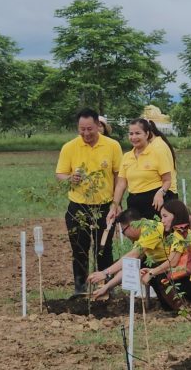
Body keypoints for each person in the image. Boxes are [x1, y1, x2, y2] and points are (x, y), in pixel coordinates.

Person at [56, 108, 123, 296]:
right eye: (82, 129)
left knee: (103, 249)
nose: (86, 133)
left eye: (90, 129)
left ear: (98, 126)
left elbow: (119, 176)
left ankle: (106, 288)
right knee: (79, 249)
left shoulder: (112, 146)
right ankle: (80, 289)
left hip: (105, 206)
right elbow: (60, 174)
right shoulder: (69, 147)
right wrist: (69, 179)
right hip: (78, 207)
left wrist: (116, 203)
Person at [87, 208, 168, 300]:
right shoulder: (143, 232)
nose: (125, 236)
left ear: (132, 225)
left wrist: (105, 273)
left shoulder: (151, 229)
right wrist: (107, 287)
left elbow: (132, 256)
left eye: (123, 231)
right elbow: (130, 265)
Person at [108, 118, 176, 222]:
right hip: (134, 202)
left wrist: (160, 193)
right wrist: (115, 206)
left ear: (147, 134)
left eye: (138, 133)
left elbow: (167, 180)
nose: (134, 137)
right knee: (137, 235)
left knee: (155, 235)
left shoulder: (158, 153)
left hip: (154, 201)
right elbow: (121, 184)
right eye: (131, 134)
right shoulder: (126, 156)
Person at [148, 120, 179, 198]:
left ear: (148, 132)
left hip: (166, 191)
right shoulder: (157, 143)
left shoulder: (157, 146)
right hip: (166, 190)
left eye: (139, 133)